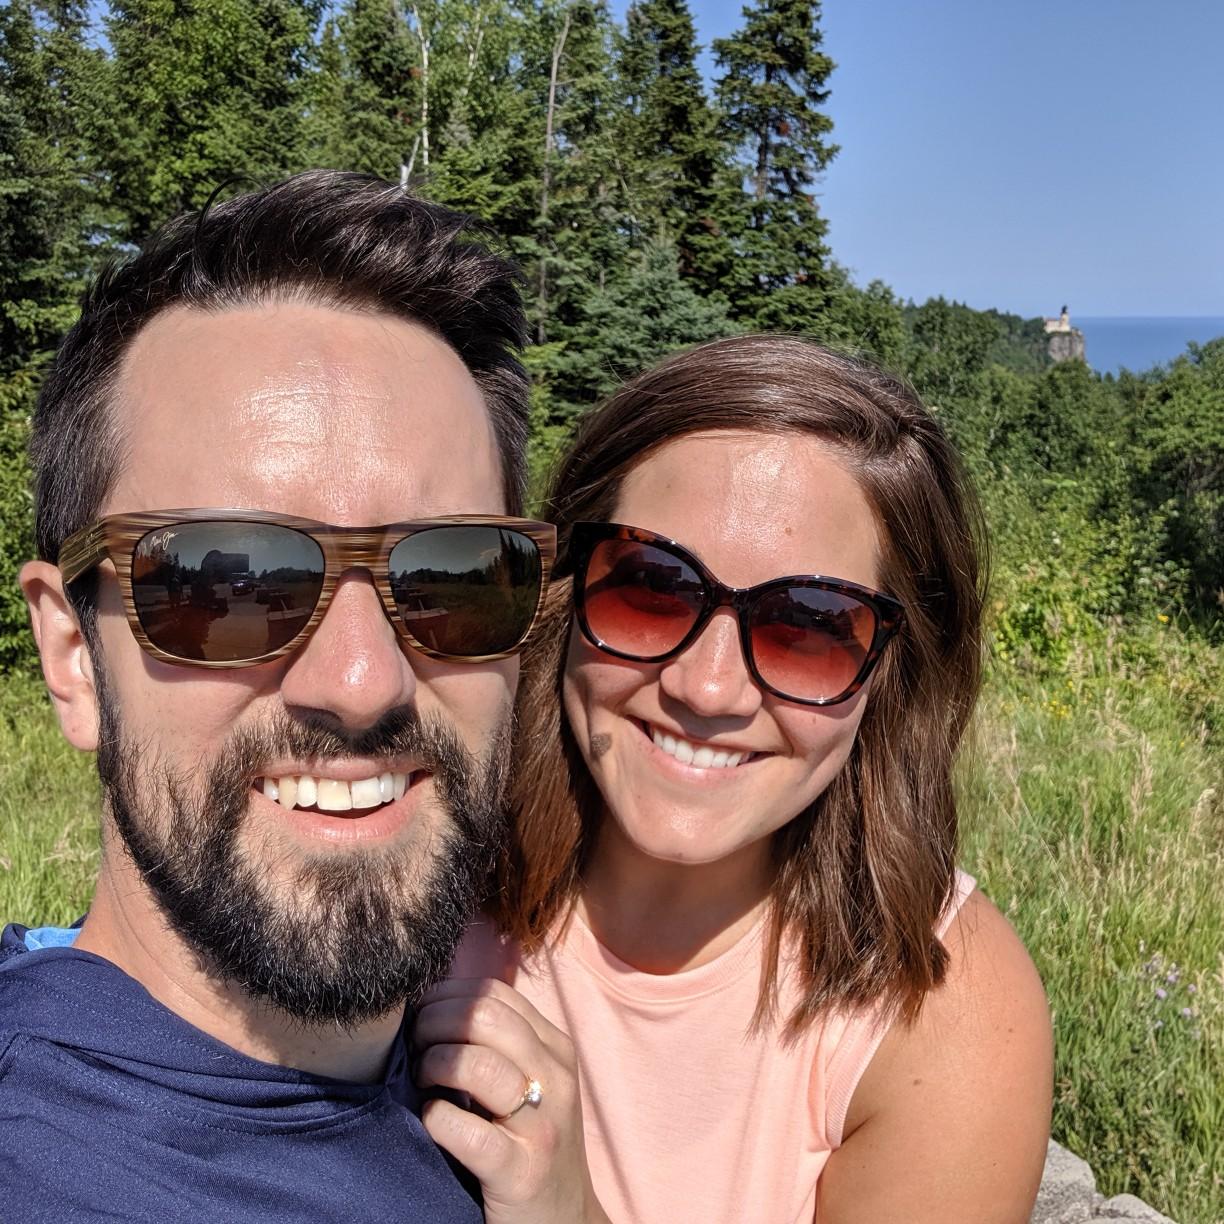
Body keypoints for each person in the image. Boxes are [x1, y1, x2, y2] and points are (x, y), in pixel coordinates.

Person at [3, 171, 571, 1222]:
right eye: (230, 582)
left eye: (451, 577)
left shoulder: (510, 1104)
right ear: (72, 654)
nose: (362, 683)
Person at [422, 335, 1054, 1222]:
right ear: (567, 591)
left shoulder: (940, 1009)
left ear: (890, 677)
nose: (707, 688)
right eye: (652, 587)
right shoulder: (416, 855)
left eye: (809, 627)